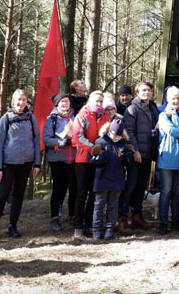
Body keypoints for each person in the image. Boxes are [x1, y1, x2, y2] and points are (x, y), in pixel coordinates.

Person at [0, 89, 40, 242]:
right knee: (2, 195)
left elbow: (36, 141)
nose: (21, 103)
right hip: (8, 163)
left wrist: (37, 163)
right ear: (13, 101)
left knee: (18, 195)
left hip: (26, 162)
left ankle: (13, 225)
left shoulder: (31, 118)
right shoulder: (6, 119)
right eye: (18, 99)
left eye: (24, 99)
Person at [121, 81, 160, 231]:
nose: (146, 92)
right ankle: (122, 218)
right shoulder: (132, 109)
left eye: (148, 90)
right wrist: (135, 150)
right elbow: (128, 131)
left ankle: (137, 216)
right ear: (137, 92)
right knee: (130, 186)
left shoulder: (153, 108)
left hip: (149, 154)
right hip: (136, 154)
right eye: (143, 90)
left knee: (141, 187)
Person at [72, 90, 109, 238]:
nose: (99, 104)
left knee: (95, 194)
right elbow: (77, 136)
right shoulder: (82, 116)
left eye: (101, 101)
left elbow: (107, 135)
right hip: (83, 159)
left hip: (99, 159)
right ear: (90, 101)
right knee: (82, 194)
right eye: (96, 101)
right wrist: (92, 148)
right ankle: (78, 226)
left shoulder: (105, 117)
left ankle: (89, 224)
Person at [89, 119, 133, 240]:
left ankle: (110, 228)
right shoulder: (101, 142)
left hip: (117, 179)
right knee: (99, 205)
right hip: (102, 179)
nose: (116, 137)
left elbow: (127, 163)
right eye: (114, 134)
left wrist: (129, 156)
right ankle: (96, 228)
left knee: (113, 205)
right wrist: (101, 156)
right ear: (109, 131)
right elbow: (92, 160)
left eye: (119, 135)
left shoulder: (123, 144)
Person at [42, 92, 76, 232]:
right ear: (57, 104)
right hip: (57, 160)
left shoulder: (75, 117)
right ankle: (55, 218)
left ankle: (73, 216)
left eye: (67, 101)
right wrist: (61, 142)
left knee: (75, 189)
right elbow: (46, 139)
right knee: (59, 189)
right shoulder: (52, 119)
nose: (65, 104)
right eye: (62, 102)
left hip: (74, 159)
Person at [156, 86, 179, 235]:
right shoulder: (163, 115)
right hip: (167, 158)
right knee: (166, 191)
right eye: (173, 98)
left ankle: (176, 221)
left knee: (177, 192)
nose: (176, 101)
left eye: (178, 98)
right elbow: (172, 131)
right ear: (168, 99)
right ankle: (163, 222)